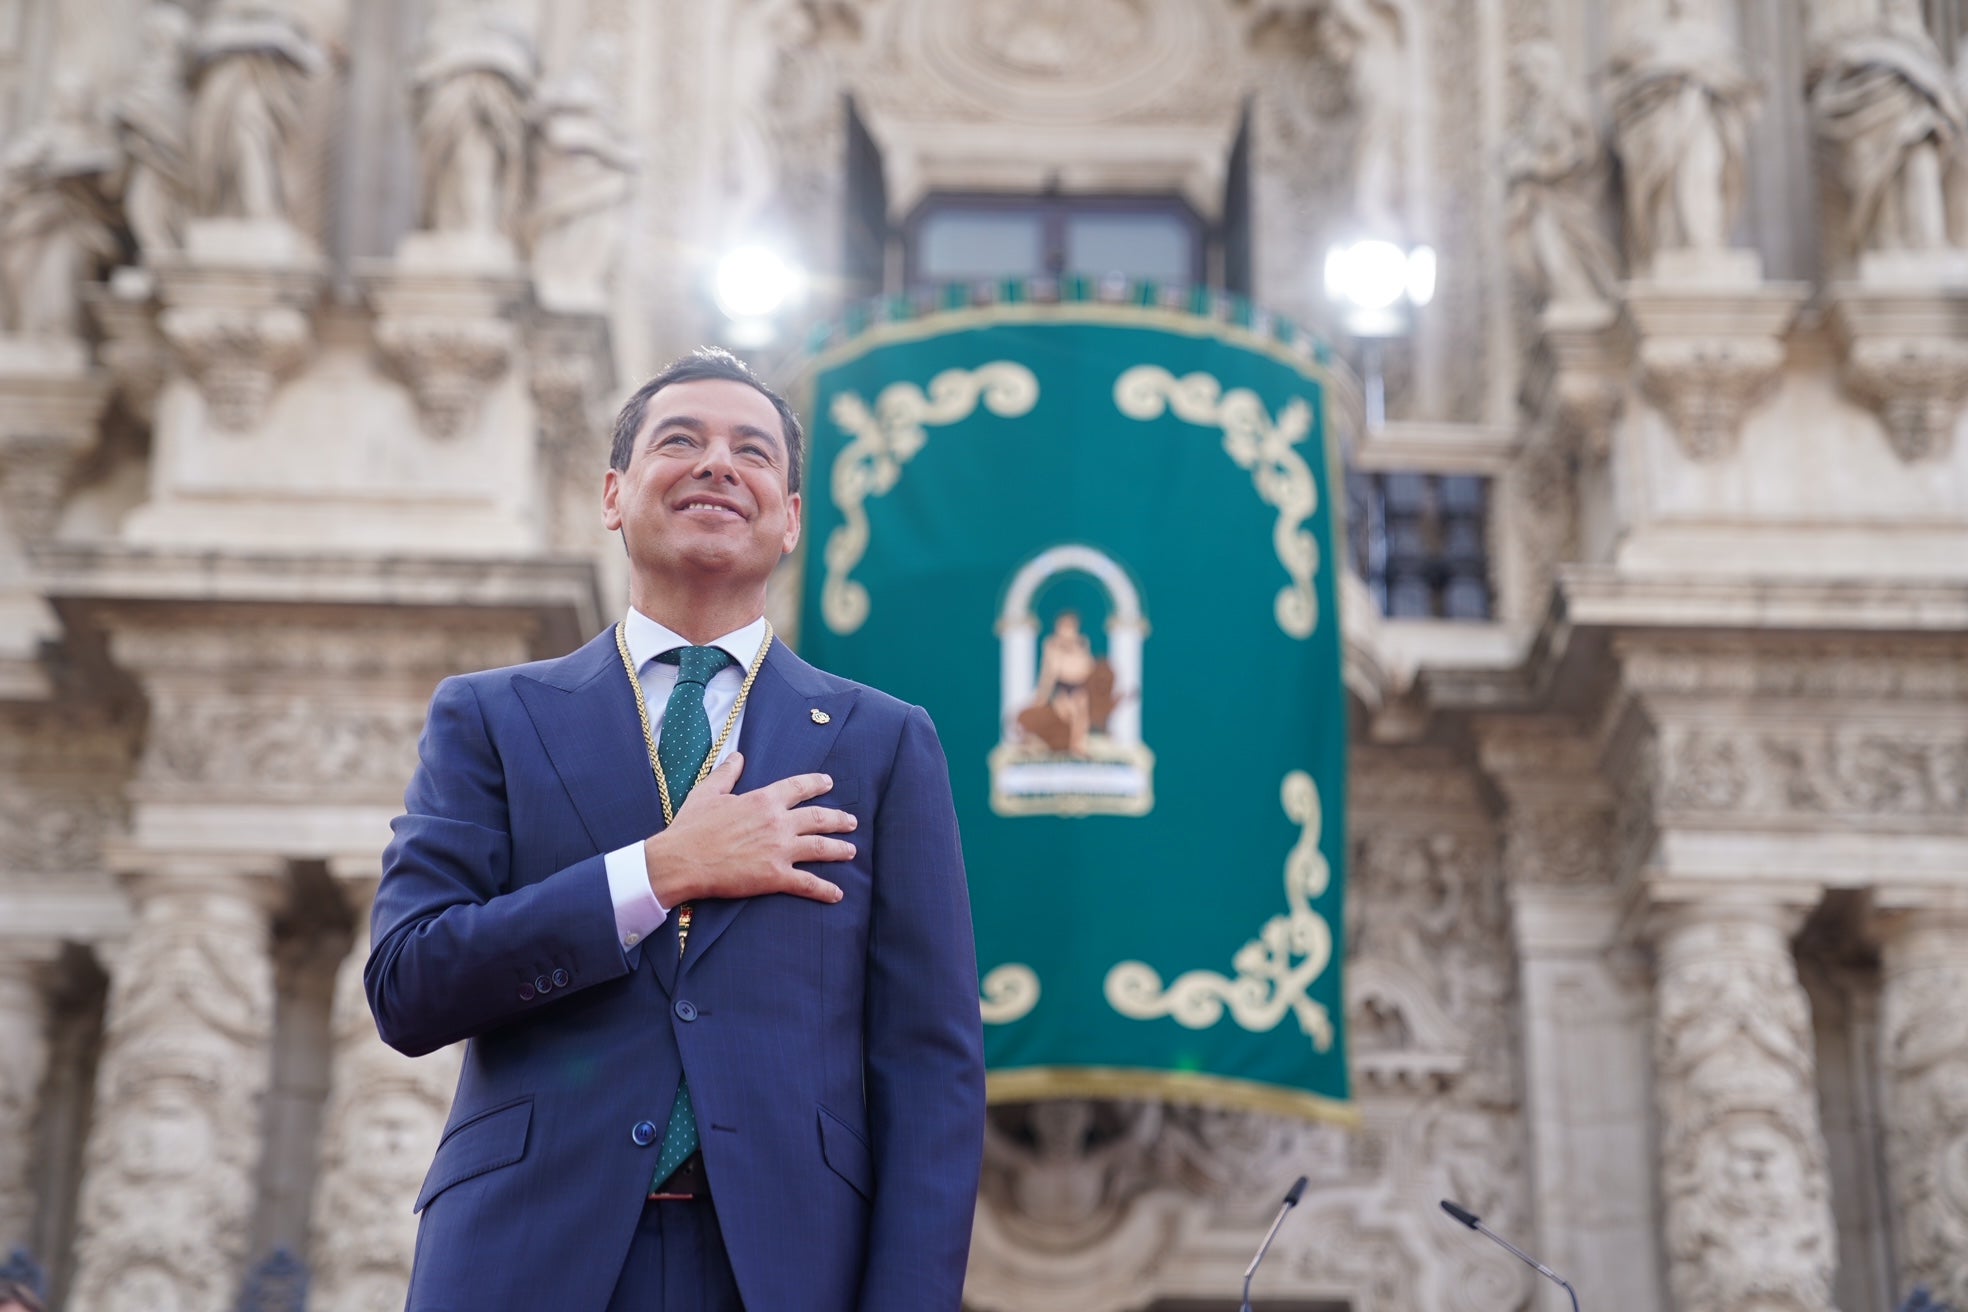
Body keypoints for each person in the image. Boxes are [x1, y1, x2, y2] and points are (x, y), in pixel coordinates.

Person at [366, 348, 987, 1310]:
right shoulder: (492, 716)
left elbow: (930, 1070)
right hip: (526, 1255)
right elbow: (408, 984)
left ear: (788, 520)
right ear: (615, 495)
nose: (716, 464)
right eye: (680, 441)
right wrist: (655, 872)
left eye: (752, 451)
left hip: (784, 1268)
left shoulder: (885, 743)